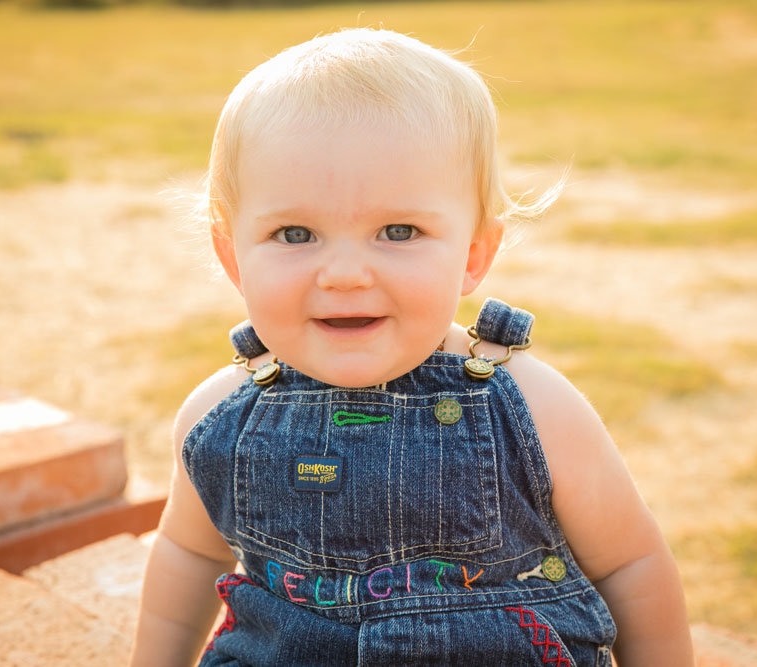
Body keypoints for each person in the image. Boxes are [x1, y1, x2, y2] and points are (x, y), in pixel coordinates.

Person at [130, 27, 693, 667]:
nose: (344, 273)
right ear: (233, 257)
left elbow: (631, 563)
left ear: (475, 253)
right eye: (295, 233)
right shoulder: (220, 416)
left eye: (398, 231)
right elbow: (189, 552)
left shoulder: (530, 405)